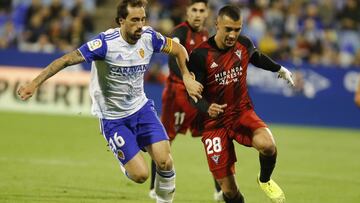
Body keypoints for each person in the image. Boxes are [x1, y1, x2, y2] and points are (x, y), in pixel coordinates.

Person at [17, 1, 203, 203]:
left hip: (141, 109)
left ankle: (164, 201)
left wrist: (186, 76)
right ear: (121, 21)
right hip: (113, 118)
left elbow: (178, 49)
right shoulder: (105, 44)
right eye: (134, 20)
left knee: (165, 162)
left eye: (142, 19)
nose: (140, 25)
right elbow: (66, 60)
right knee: (141, 175)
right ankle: (125, 161)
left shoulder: (149, 37)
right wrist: (34, 83)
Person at [187, 5, 294, 203]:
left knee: (268, 145)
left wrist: (279, 68)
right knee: (229, 192)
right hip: (214, 124)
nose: (233, 34)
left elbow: (257, 58)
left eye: (237, 29)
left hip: (241, 113)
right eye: (228, 29)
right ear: (216, 25)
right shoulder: (200, 56)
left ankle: (265, 180)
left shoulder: (243, 44)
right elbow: (192, 95)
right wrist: (206, 107)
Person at [149, 0, 222, 201]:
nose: (198, 14)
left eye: (201, 10)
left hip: (199, 94)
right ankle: (155, 186)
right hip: (177, 94)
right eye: (194, 10)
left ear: (207, 13)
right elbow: (173, 61)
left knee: (213, 136)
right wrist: (187, 79)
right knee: (165, 140)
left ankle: (220, 189)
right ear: (187, 12)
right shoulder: (179, 33)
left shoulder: (207, 36)